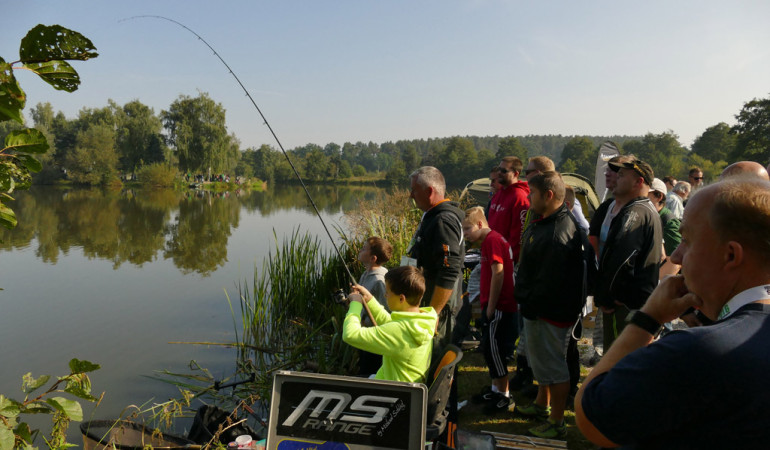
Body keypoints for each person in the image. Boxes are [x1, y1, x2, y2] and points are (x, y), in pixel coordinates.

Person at [576, 178, 770, 448]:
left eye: (687, 241)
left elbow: (591, 417)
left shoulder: (699, 351)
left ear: (730, 255)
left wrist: (649, 318)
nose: (677, 257)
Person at [514, 171, 590, 439]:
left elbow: (551, 282)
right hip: (539, 308)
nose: (528, 198)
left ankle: (557, 421)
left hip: (550, 312)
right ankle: (541, 405)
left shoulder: (559, 231)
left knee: (554, 366)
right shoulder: (545, 221)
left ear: (548, 195)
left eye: (532, 193)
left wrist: (530, 304)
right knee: (541, 363)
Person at [594, 157, 662, 351]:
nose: (616, 179)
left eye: (622, 175)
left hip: (624, 305)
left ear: (638, 182)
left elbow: (622, 259)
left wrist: (607, 296)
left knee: (616, 360)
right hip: (632, 303)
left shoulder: (636, 212)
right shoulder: (642, 209)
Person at [463, 207, 518, 413]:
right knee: (489, 349)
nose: (465, 234)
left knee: (494, 350)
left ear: (479, 225)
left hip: (500, 306)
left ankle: (504, 395)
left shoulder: (493, 240)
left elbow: (499, 273)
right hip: (496, 305)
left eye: (467, 229)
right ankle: (496, 389)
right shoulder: (489, 241)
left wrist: (491, 306)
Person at [508, 155, 554, 394]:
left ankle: (531, 378)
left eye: (528, 172)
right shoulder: (533, 199)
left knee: (533, 331)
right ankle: (524, 372)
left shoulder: (553, 202)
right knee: (524, 326)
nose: (524, 176)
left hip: (539, 280)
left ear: (541, 174)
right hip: (525, 268)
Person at [343, 266, 437, 383]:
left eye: (387, 292)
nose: (385, 296)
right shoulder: (422, 321)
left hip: (391, 394)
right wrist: (370, 300)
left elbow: (350, 334)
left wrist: (355, 304)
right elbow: (391, 324)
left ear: (401, 298)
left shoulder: (400, 331)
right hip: (402, 388)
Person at [407, 167, 465, 350]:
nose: (411, 195)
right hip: (434, 295)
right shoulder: (434, 216)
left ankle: (439, 379)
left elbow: (449, 268)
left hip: (441, 301)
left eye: (414, 190)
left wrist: (433, 312)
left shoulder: (443, 220)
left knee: (437, 351)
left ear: (430, 191)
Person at [356, 236, 393, 376]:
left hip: (374, 337)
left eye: (364, 249)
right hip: (365, 334)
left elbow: (386, 309)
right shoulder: (366, 274)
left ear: (373, 258)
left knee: (370, 370)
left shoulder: (380, 280)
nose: (360, 250)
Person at [488, 156, 530, 262]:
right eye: (499, 169)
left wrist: (508, 259)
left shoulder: (519, 197)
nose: (499, 173)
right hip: (492, 255)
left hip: (506, 260)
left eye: (503, 171)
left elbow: (519, 236)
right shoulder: (499, 193)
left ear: (515, 174)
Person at [648, 178, 681, 258]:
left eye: (644, 194)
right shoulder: (650, 217)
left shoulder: (669, 223)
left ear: (659, 196)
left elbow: (675, 260)